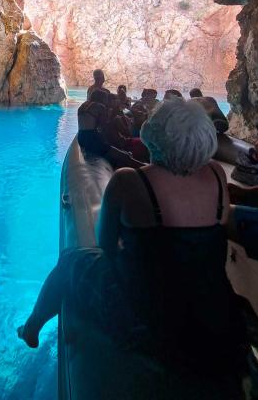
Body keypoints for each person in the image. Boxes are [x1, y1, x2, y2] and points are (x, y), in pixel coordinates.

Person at [18, 99, 245, 376]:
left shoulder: (129, 181)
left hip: (151, 321)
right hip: (213, 315)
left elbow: (105, 246)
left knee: (70, 262)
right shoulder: (217, 174)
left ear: (157, 135)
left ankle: (32, 327)